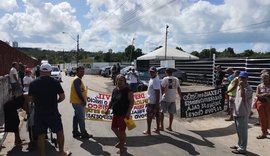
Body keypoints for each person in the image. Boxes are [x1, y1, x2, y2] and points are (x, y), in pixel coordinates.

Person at [28, 63, 71, 156]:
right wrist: (56, 102)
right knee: (59, 132)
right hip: (53, 112)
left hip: (39, 113)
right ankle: (61, 152)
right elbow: (62, 96)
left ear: (40, 71)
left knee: (41, 135)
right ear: (50, 71)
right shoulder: (55, 82)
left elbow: (30, 99)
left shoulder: (33, 83)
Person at [105, 74, 134, 154]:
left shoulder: (128, 90)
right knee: (113, 128)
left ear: (124, 81)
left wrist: (128, 112)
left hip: (124, 114)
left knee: (122, 130)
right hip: (115, 113)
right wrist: (108, 109)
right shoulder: (115, 90)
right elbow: (112, 101)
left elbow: (132, 102)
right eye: (118, 80)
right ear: (116, 81)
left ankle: (122, 148)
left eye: (121, 80)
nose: (119, 82)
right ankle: (122, 141)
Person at [230, 71, 253, 155]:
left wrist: (242, 87)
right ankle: (239, 144)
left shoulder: (248, 88)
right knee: (239, 130)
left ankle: (242, 149)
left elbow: (244, 96)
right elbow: (238, 98)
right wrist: (233, 99)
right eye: (240, 77)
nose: (241, 79)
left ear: (247, 79)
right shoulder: (239, 87)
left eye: (243, 78)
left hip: (243, 112)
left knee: (243, 132)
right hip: (237, 111)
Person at [70, 66, 92, 139]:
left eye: (83, 71)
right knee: (81, 119)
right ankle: (83, 133)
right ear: (77, 72)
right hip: (78, 102)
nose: (82, 72)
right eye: (80, 71)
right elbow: (78, 91)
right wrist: (83, 100)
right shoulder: (77, 80)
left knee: (76, 117)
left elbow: (81, 91)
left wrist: (85, 97)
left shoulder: (78, 79)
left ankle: (75, 132)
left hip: (76, 102)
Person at [143, 66, 161, 135]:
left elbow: (157, 92)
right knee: (157, 116)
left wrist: (156, 105)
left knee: (149, 117)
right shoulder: (153, 78)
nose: (151, 73)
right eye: (150, 71)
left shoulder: (155, 80)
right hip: (154, 101)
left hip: (153, 102)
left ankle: (148, 131)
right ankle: (158, 130)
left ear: (156, 72)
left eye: (153, 72)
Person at [254, 73, 270, 139]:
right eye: (263, 78)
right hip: (260, 104)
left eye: (266, 78)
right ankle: (264, 132)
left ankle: (266, 129)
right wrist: (264, 95)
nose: (265, 79)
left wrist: (265, 94)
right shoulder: (259, 86)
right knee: (262, 118)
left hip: (269, 104)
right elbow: (257, 94)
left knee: (268, 118)